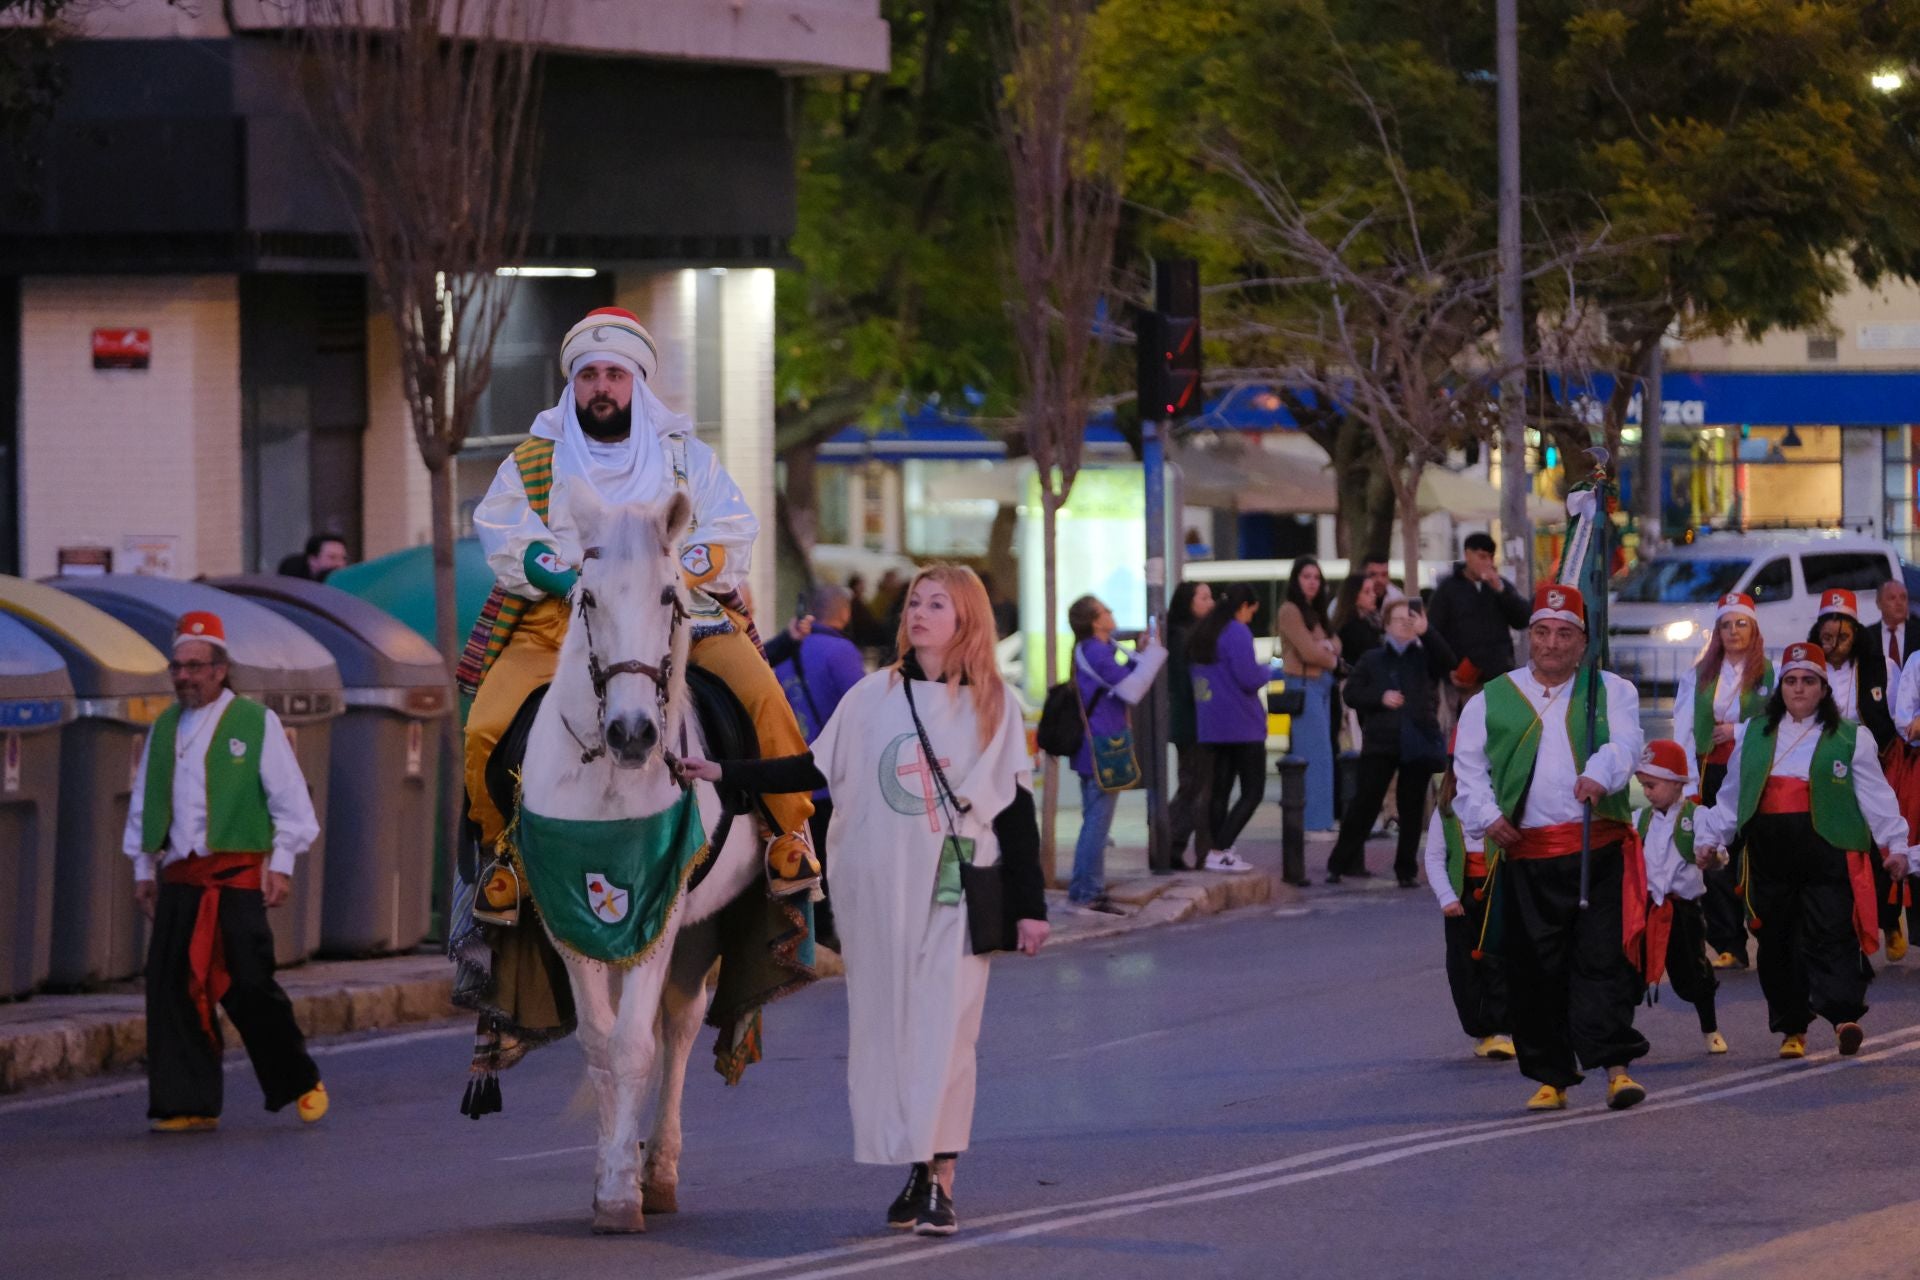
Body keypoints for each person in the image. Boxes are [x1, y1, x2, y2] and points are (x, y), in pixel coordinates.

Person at [679, 565, 1049, 1237]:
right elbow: (813, 769)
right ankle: (916, 1167)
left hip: (956, 892)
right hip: (878, 898)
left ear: (966, 618)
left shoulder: (995, 703)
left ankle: (940, 1180)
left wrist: (1031, 908)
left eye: (937, 603)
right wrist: (724, 773)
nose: (919, 612)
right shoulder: (872, 697)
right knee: (896, 1040)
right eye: (915, 601)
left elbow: (1017, 814)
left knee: (945, 1038)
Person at [460, 306, 818, 896]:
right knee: (485, 729)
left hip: (679, 615)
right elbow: (507, 535)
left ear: (637, 384)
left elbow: (730, 530)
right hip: (560, 618)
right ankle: (502, 862)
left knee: (764, 698)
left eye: (614, 375)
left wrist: (674, 575)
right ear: (572, 385)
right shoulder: (531, 461)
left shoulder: (687, 458)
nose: (601, 387)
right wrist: (567, 583)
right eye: (589, 375)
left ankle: (787, 835)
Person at [122, 611, 328, 1133]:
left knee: (250, 985)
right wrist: (144, 868)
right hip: (180, 878)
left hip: (234, 878)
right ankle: (185, 1101)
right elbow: (147, 801)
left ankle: (299, 1079)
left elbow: (291, 803)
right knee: (170, 988)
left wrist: (280, 865)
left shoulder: (255, 723)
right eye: (178, 666)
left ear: (220, 668)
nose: (185, 676)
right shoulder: (164, 727)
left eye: (195, 666)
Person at [1453, 583, 1649, 1113]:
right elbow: (1469, 771)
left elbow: (1627, 744)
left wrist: (1600, 774)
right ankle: (1552, 1075)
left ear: (1583, 642)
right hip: (1529, 854)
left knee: (1601, 962)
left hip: (1596, 850)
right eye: (1542, 632)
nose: (1552, 644)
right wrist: (1488, 817)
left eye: (1565, 634)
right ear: (1529, 637)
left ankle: (1616, 1068)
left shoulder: (1611, 691)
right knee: (1535, 972)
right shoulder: (1491, 698)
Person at [1694, 643, 1913, 1060]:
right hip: (1768, 854)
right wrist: (1711, 839)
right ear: (1781, 688)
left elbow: (1877, 797)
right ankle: (1792, 1028)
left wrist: (1895, 844)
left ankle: (1843, 1017)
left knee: (1832, 932)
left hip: (1827, 851)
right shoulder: (1756, 734)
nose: (1799, 689)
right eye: (1791, 681)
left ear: (1823, 689)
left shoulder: (1852, 737)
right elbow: (1731, 798)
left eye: (1808, 681)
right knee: (1776, 943)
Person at [1672, 591, 1774, 970]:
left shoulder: (1772, 673)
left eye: (1741, 624)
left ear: (1754, 629)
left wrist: (1737, 730)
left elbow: (1781, 721)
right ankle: (1728, 941)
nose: (1733, 632)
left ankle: (1769, 935)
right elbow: (1683, 729)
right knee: (1713, 852)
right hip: (1710, 771)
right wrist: (1685, 784)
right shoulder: (1698, 675)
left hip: (1754, 773)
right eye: (1726, 625)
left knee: (1757, 851)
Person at [1327, 598, 1456, 887]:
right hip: (1381, 741)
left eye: (1410, 619)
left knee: (1411, 809)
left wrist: (1427, 631)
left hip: (1417, 739)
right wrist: (1380, 697)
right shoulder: (1373, 659)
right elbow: (1352, 694)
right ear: (1386, 625)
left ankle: (1405, 870)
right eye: (1399, 619)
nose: (1405, 624)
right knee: (1365, 802)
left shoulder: (1423, 656)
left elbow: (1449, 663)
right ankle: (1339, 862)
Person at [773, 583, 867, 949]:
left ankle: (798, 930)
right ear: (844, 613)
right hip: (830, 777)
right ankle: (827, 934)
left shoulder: (780, 649)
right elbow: (862, 709)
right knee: (830, 858)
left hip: (784, 775)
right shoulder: (841, 652)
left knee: (795, 858)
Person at [1068, 594, 1170, 908]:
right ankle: (1089, 891)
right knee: (1097, 823)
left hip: (1092, 744)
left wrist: (1136, 655)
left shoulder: (1094, 650)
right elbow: (1132, 689)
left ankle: (1082, 886)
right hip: (1102, 745)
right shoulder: (1097, 651)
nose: (1112, 613)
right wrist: (1152, 655)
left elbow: (1115, 681)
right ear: (1095, 621)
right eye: (1106, 610)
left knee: (1093, 820)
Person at [1629, 739, 1727, 1056]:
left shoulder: (1696, 817)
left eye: (1652, 785)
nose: (1646, 792)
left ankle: (1710, 1028)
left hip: (1683, 911)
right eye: (1643, 785)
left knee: (1692, 976)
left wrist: (1710, 856)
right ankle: (1622, 1035)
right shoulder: (1639, 819)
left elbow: (1716, 851)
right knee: (1628, 972)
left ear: (1675, 783)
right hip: (1645, 911)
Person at [1420, 765, 1512, 1061]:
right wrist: (1447, 896)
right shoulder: (1445, 815)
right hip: (1461, 899)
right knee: (1463, 967)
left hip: (1496, 893)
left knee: (1498, 960)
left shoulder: (1500, 808)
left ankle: (1502, 1030)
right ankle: (1481, 1029)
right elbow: (1434, 858)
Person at [1858, 578, 1919, 959]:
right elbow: (1903, 717)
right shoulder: (1913, 660)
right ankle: (1888, 920)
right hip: (1898, 758)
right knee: (1898, 837)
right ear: (1879, 602)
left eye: (1904, 597)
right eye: (1891, 598)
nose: (1899, 604)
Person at [1190, 583, 1268, 874]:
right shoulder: (1236, 631)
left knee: (1220, 789)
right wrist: (1267, 671)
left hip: (1212, 725)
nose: (1250, 618)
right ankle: (1220, 848)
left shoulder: (1204, 632)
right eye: (1251, 612)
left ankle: (1218, 850)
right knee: (1253, 790)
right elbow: (1248, 677)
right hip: (1242, 725)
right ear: (1243, 606)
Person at [1427, 532, 1531, 729]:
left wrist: (1501, 590)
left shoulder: (1499, 586)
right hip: (1465, 678)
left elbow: (1522, 618)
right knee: (1469, 731)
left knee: (1502, 730)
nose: (1487, 562)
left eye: (1490, 557)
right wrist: (1447, 671)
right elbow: (1434, 634)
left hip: (1499, 675)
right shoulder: (1447, 590)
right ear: (1468, 555)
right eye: (1482, 557)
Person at [1276, 556, 1342, 831]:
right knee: (1315, 755)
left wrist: (1326, 646)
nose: (1312, 582)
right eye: (1306, 576)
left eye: (1316, 577)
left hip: (1321, 684)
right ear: (1295, 580)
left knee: (1325, 755)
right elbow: (1309, 651)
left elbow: (1336, 641)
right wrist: (1331, 657)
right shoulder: (1290, 610)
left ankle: (1322, 820)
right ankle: (1313, 823)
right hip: (1304, 684)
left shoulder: (1316, 610)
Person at [1164, 581, 1217, 872]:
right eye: (1204, 597)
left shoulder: (1194, 634)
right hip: (1193, 722)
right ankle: (1170, 843)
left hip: (1195, 721)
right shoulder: (1182, 635)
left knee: (1195, 783)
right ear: (1188, 602)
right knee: (1194, 785)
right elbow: (1187, 685)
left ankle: (1176, 844)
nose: (1210, 603)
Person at [1809, 588, 1863, 721]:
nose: (1835, 646)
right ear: (1818, 634)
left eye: (1843, 637)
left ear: (1855, 635)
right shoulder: (1806, 670)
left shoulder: (1881, 668)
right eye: (1827, 638)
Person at [274, 532, 349, 582]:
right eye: (332, 557)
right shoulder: (293, 579)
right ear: (313, 560)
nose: (340, 564)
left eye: (343, 558)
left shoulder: (344, 581)